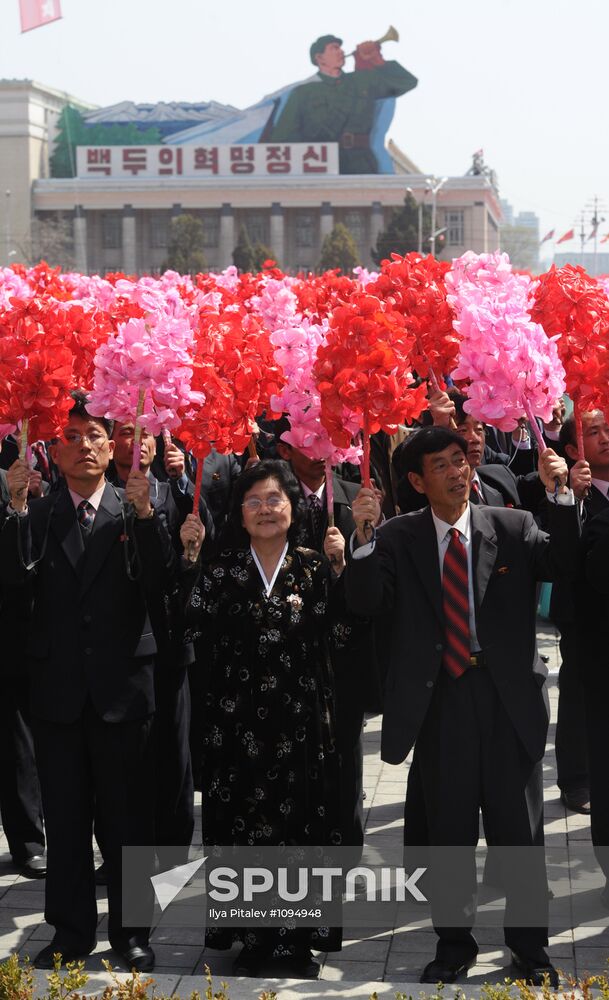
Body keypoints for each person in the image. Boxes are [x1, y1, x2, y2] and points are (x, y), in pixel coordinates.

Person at [345, 426, 581, 987]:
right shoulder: (400, 537)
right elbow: (365, 603)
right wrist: (362, 535)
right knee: (448, 831)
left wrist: (561, 497)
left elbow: (565, 566)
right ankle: (453, 944)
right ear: (416, 480)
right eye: (442, 465)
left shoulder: (513, 525)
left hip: (505, 701)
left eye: (460, 460)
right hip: (441, 700)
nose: (457, 472)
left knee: (518, 831)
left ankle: (530, 947)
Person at [0, 393, 185, 973]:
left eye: (95, 437)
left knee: (128, 820)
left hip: (123, 691)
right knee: (68, 817)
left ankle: (132, 933)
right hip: (57, 693)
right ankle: (70, 931)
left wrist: (150, 519)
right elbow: (13, 586)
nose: (84, 447)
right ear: (50, 451)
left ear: (115, 446)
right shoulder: (38, 511)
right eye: (71, 437)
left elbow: (164, 587)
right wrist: (12, 510)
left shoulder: (140, 506)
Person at [185, 459, 346, 979]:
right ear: (238, 512)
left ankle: (296, 941)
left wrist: (345, 568)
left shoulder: (313, 565)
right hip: (236, 724)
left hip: (301, 720)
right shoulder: (221, 568)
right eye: (252, 501)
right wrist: (188, 557)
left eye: (274, 499)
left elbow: (341, 634)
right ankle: (253, 937)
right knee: (244, 829)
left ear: (292, 507)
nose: (265, 510)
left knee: (301, 827)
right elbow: (186, 625)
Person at [276, 428, 382, 851]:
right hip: (287, 650)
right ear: (285, 446)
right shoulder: (272, 497)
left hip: (344, 653)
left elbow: (377, 583)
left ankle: (346, 849)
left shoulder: (358, 498)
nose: (321, 451)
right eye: (308, 440)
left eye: (327, 439)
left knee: (345, 756)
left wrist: (346, 561)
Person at [551, 411, 609, 815]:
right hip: (583, 613)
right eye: (593, 433)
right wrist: (572, 498)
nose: (605, 437)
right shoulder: (572, 489)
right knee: (579, 692)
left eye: (608, 429)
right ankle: (575, 779)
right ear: (573, 449)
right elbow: (564, 553)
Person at [270, 34, 417, 174]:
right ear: (320, 58)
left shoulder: (362, 81)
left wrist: (378, 60)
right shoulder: (303, 93)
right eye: (334, 48)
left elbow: (407, 82)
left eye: (340, 48)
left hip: (361, 163)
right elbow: (283, 138)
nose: (341, 51)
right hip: (320, 164)